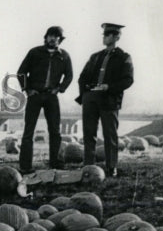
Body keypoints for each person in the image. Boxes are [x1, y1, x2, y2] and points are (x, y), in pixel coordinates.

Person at [76, 22, 134, 176]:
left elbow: (128, 80)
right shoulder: (95, 57)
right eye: (104, 34)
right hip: (90, 98)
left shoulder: (124, 57)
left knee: (110, 134)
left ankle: (111, 167)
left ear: (117, 36)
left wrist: (109, 87)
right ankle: (88, 166)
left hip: (109, 99)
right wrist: (85, 95)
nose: (104, 37)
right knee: (88, 133)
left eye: (108, 35)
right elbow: (82, 77)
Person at [16, 25, 74, 174]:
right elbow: (21, 72)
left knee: (55, 131)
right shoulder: (34, 52)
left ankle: (56, 163)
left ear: (60, 40)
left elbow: (69, 76)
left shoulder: (64, 56)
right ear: (46, 37)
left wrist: (60, 88)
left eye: (56, 36)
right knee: (29, 131)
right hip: (35, 95)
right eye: (50, 35)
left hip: (51, 96)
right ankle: (25, 166)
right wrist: (27, 89)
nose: (53, 38)